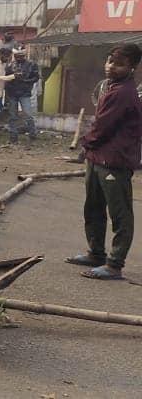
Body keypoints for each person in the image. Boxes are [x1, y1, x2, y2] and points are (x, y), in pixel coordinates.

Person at [64, 44, 141, 281]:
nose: (111, 67)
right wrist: (89, 148)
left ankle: (115, 264)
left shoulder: (124, 92)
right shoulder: (110, 86)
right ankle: (96, 252)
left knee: (120, 214)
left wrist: (86, 144)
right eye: (109, 61)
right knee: (93, 208)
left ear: (131, 67)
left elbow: (103, 126)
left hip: (114, 160)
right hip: (98, 157)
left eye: (118, 64)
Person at [5, 47, 39, 143]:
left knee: (28, 114)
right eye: (17, 56)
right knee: (12, 115)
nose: (18, 58)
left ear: (24, 56)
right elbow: (6, 78)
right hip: (12, 93)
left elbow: (36, 78)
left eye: (20, 56)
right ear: (14, 56)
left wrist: (25, 81)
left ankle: (32, 135)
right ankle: (13, 138)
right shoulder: (10, 65)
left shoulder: (32, 65)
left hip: (25, 93)